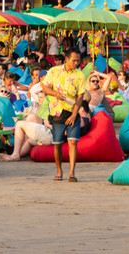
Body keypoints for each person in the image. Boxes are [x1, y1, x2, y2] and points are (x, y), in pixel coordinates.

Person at [40, 48, 85, 182]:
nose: (76, 63)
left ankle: (72, 172)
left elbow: (80, 96)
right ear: (66, 59)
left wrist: (74, 114)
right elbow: (44, 87)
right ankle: (59, 170)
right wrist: (55, 94)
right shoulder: (54, 71)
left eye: (78, 61)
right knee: (57, 143)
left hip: (73, 111)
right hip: (57, 111)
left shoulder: (79, 75)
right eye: (73, 60)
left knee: (72, 142)